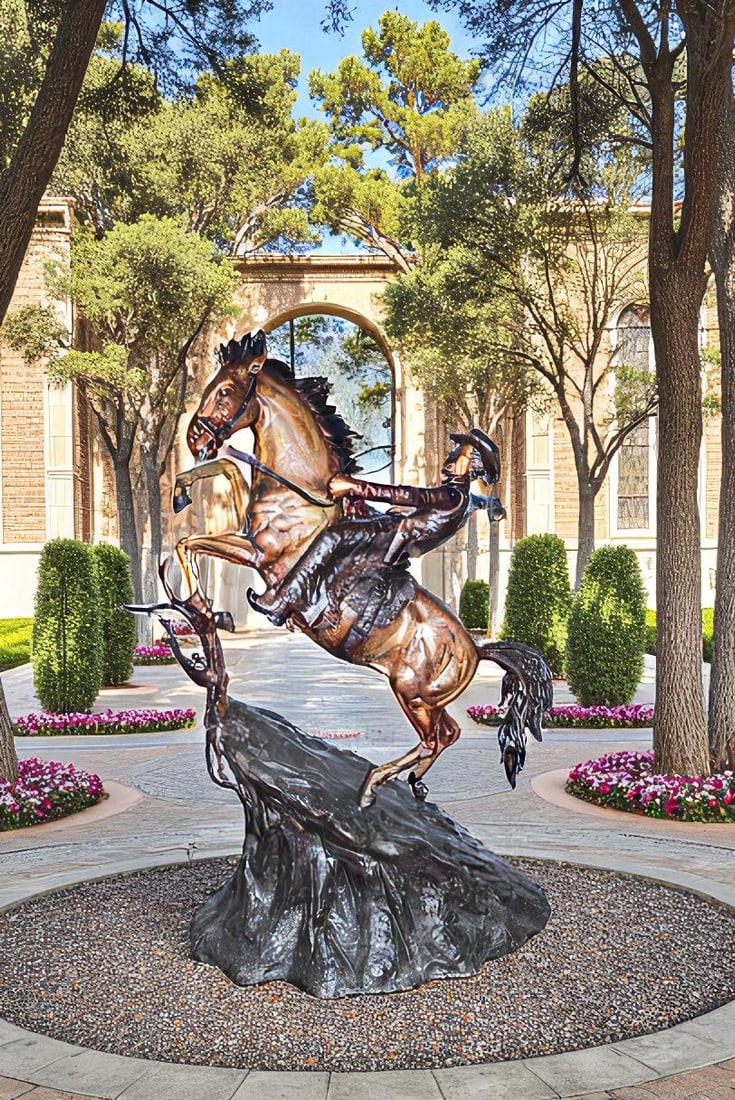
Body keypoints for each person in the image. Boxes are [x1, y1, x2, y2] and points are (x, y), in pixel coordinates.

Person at [247, 427, 506, 631]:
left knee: (334, 536)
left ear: (470, 466)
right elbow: (472, 502)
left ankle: (281, 602)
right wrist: (490, 504)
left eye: (460, 453)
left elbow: (404, 494)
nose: (452, 456)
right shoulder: (461, 496)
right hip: (393, 533)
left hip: (391, 537)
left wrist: (354, 486)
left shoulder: (452, 495)